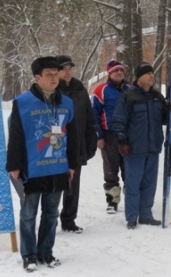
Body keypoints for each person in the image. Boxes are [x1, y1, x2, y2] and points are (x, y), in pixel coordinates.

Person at [6, 56, 78, 272]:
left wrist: (72, 164)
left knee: (51, 214)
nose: (55, 78)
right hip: (32, 168)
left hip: (57, 168)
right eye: (49, 75)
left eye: (57, 74)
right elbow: (16, 136)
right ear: (37, 78)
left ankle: (46, 251)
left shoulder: (67, 103)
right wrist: (14, 166)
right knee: (28, 214)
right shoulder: (23, 102)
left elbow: (73, 136)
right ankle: (29, 255)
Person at [112, 62, 171, 229]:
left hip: (153, 148)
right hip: (134, 148)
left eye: (152, 74)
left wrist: (170, 111)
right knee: (133, 184)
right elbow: (118, 121)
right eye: (148, 74)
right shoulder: (128, 97)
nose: (152, 76)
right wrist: (122, 141)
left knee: (149, 184)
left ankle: (146, 214)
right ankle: (132, 217)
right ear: (139, 77)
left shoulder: (157, 98)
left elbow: (164, 120)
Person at [56, 55, 97, 233]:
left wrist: (91, 141)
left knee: (73, 185)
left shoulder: (80, 90)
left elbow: (89, 117)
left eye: (70, 68)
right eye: (63, 68)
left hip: (77, 143)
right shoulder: (52, 90)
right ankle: (48, 219)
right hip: (55, 144)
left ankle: (69, 220)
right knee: (54, 184)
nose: (67, 71)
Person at [92, 59, 130, 214]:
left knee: (130, 168)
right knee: (111, 169)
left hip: (128, 135)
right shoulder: (101, 90)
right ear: (109, 73)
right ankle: (112, 201)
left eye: (121, 70)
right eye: (116, 71)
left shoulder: (131, 89)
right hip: (109, 135)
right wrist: (98, 136)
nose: (119, 73)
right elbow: (94, 114)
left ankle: (132, 199)